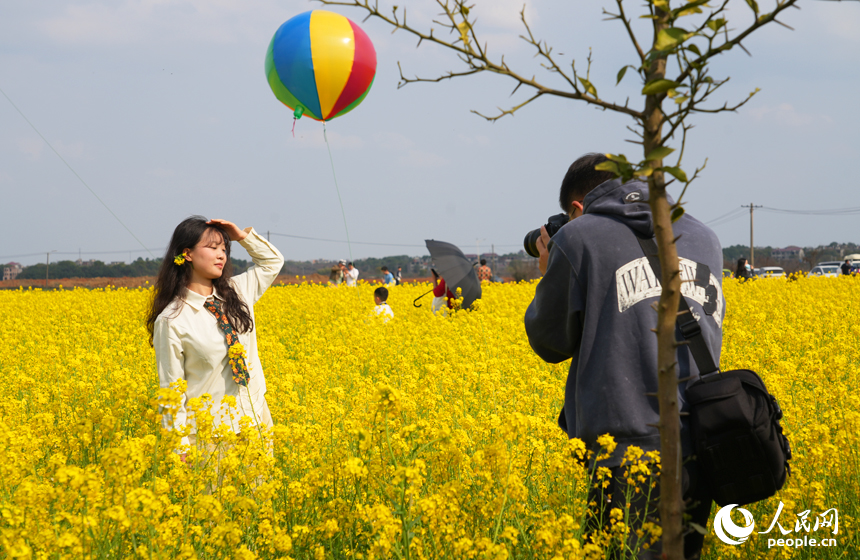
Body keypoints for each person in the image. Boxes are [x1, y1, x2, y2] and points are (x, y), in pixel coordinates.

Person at [524, 153, 725, 559]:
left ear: (577, 208)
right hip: (702, 443)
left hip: (628, 451)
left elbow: (548, 342)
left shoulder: (579, 237)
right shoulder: (705, 236)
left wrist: (553, 265)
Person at [146, 216, 284, 460]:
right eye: (212, 248)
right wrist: (180, 450)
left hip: (255, 424)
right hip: (211, 436)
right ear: (186, 254)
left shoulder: (238, 291)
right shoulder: (172, 320)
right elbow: (170, 389)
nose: (222, 255)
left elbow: (272, 262)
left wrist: (242, 237)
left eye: (224, 248)